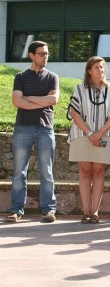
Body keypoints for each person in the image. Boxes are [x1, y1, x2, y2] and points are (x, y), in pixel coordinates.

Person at [6, 41, 59, 223]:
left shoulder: (52, 77)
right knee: (19, 171)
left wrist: (28, 98)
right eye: (42, 53)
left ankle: (48, 210)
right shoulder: (20, 77)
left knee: (47, 171)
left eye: (47, 53)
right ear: (32, 55)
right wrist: (40, 101)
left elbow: (53, 100)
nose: (46, 57)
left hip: (45, 128)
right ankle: (16, 210)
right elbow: (16, 102)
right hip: (23, 128)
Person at [67, 56, 110, 224]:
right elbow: (74, 113)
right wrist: (90, 132)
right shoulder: (79, 88)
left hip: (104, 136)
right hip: (82, 135)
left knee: (98, 172)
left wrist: (100, 133)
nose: (100, 70)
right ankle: (86, 211)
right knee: (85, 172)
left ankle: (95, 212)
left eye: (102, 67)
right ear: (89, 71)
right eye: (96, 67)